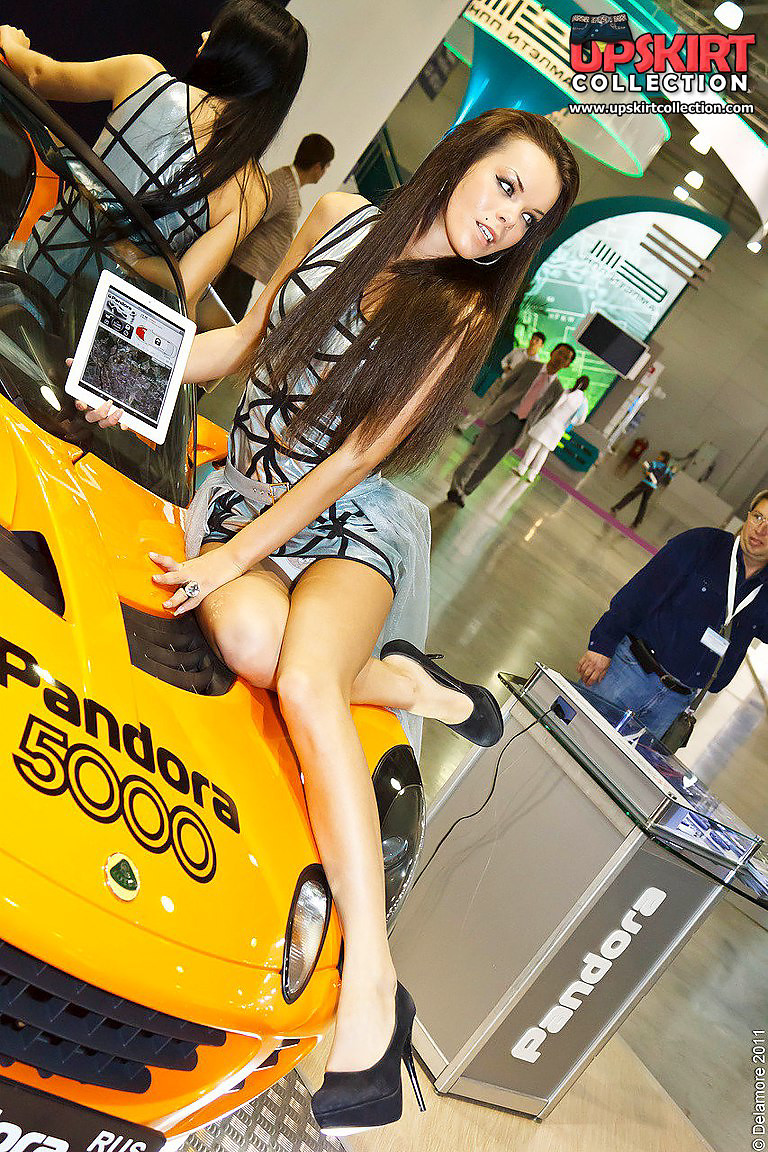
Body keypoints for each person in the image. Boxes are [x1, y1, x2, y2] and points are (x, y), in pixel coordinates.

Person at [80, 108, 580, 1132]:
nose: (506, 218)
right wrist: (131, 378)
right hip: (247, 502)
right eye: (505, 185)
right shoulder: (337, 216)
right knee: (251, 642)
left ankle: (373, 993)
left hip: (347, 524)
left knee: (306, 681)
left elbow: (350, 465)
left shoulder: (458, 319)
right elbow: (242, 343)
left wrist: (230, 557)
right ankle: (397, 679)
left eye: (529, 216)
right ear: (465, 160)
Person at [0, 1, 308, 313]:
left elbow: (37, 74)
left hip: (25, 274)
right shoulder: (252, 191)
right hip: (91, 323)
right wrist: (133, 256)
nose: (204, 35)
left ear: (235, 53)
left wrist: (11, 41)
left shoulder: (142, 75)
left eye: (217, 32)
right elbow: (186, 285)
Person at [576, 489, 768, 740]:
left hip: (674, 704)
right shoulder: (702, 544)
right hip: (629, 672)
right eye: (758, 517)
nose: (760, 530)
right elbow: (641, 592)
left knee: (618, 765)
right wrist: (602, 644)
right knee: (573, 735)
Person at [216, 133, 336, 320]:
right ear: (317, 166)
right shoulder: (283, 185)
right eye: (326, 166)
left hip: (246, 270)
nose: (325, 172)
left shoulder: (288, 184)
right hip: (242, 267)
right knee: (223, 320)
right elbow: (249, 219)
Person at [447, 341, 575, 505]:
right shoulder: (529, 365)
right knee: (477, 453)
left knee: (490, 462)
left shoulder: (557, 389)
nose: (561, 358)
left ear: (567, 365)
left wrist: (526, 424)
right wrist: (503, 404)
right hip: (501, 415)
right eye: (560, 353)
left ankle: (465, 491)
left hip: (518, 428)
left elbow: (544, 412)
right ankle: (456, 487)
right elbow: (507, 385)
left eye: (566, 358)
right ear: (552, 352)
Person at [455, 329, 544, 432]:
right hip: (501, 381)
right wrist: (506, 367)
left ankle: (482, 435)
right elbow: (505, 360)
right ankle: (462, 426)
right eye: (533, 338)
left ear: (541, 345)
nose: (533, 342)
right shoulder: (518, 351)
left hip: (512, 390)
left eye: (537, 340)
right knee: (482, 406)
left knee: (497, 412)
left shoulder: (536, 363)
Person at [516, 373, 589, 482]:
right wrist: (571, 423)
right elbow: (581, 420)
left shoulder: (568, 392)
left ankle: (521, 469)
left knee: (534, 445)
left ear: (577, 381)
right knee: (544, 451)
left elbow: (555, 405)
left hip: (549, 421)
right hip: (560, 428)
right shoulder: (584, 401)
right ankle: (532, 475)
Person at [611, 449, 674, 529]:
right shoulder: (667, 469)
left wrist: (646, 469)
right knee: (644, 503)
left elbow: (647, 470)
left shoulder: (655, 463)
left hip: (645, 483)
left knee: (631, 495)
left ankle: (616, 508)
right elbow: (669, 479)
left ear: (663, 458)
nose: (659, 456)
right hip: (653, 487)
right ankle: (637, 521)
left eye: (660, 455)